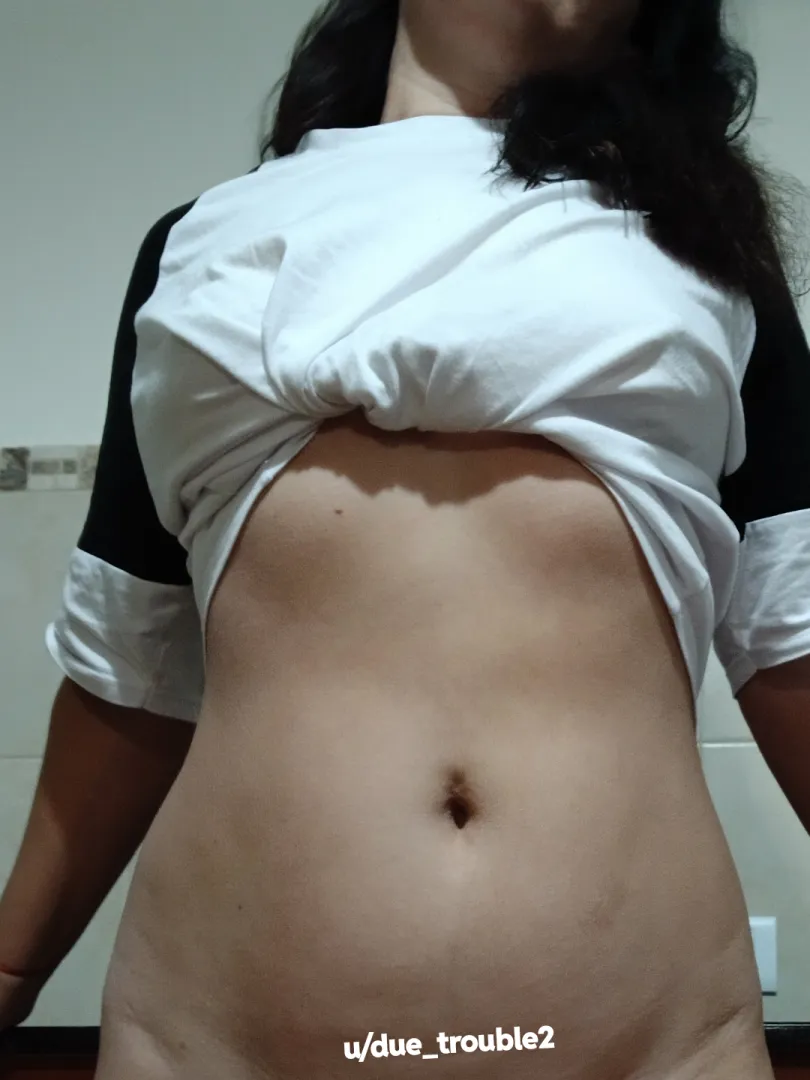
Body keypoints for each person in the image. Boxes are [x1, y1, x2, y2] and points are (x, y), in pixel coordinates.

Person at [1, 0, 809, 1077]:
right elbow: (128, 662)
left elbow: (794, 634)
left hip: (657, 1048)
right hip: (212, 1044)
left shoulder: (701, 249)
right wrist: (11, 968)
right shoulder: (199, 247)